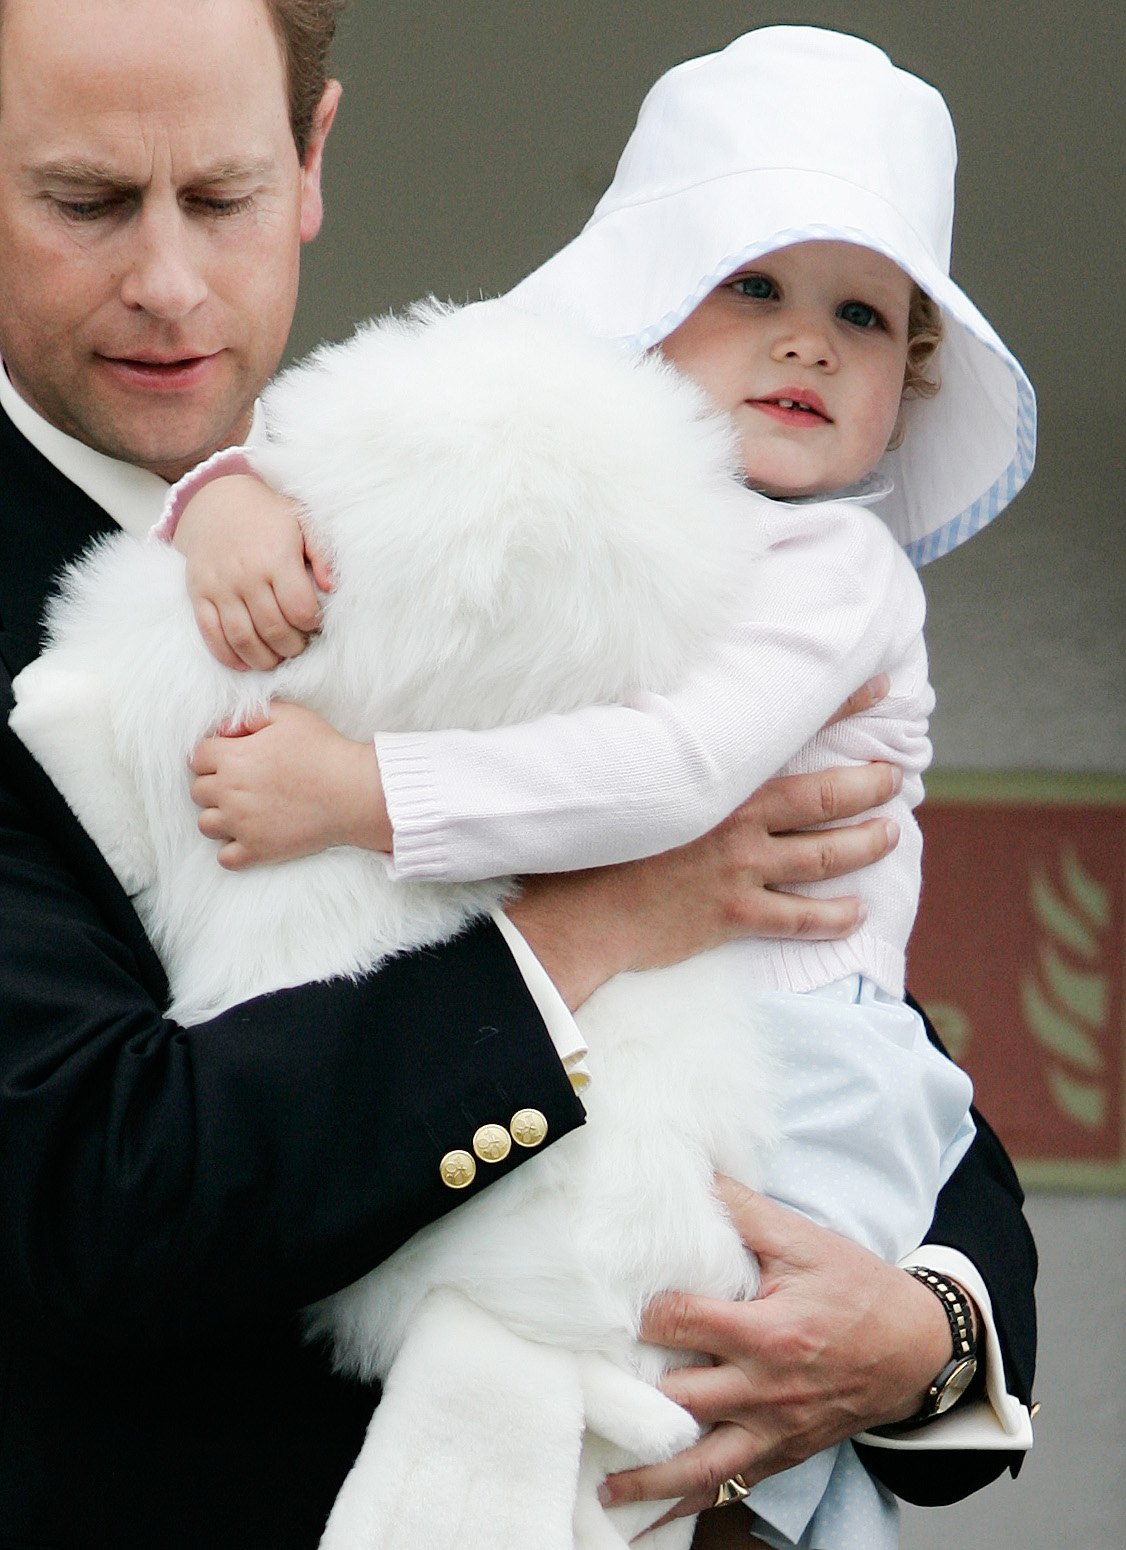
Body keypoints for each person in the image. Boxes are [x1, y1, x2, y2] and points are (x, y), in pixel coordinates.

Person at [0, 4, 1034, 1547]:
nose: (166, 278)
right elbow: (83, 1196)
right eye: (85, 200)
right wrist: (593, 924)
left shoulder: (471, 458)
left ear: (311, 156)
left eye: (221, 196)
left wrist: (932, 1334)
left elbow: (824, 978)